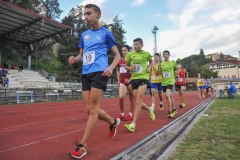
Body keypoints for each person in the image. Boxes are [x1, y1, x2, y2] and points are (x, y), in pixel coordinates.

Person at [67, 4, 121, 159]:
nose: (86, 17)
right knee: (88, 110)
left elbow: (117, 56)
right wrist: (74, 59)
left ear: (98, 14)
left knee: (93, 108)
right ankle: (112, 121)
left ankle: (83, 146)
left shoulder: (106, 33)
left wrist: (111, 67)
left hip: (101, 72)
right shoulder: (84, 35)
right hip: (86, 74)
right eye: (84, 14)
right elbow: (81, 56)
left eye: (89, 13)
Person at [124, 38, 155, 132]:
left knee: (138, 101)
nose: (135, 46)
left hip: (143, 78)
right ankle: (150, 109)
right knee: (137, 101)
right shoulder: (130, 54)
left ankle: (133, 124)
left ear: (142, 44)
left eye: (137, 44)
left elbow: (151, 61)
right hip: (134, 79)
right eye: (134, 44)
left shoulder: (146, 54)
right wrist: (130, 68)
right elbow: (125, 66)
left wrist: (150, 67)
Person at [115, 45, 134, 121]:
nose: (123, 52)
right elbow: (117, 70)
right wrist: (118, 79)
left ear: (128, 51)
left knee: (132, 98)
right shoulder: (119, 60)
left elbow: (134, 70)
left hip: (130, 81)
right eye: (122, 50)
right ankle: (122, 114)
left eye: (125, 50)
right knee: (121, 97)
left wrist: (131, 79)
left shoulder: (131, 60)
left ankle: (130, 114)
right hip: (122, 81)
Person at [161, 50, 177, 118]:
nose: (165, 55)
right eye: (164, 54)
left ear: (169, 55)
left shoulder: (173, 63)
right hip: (164, 82)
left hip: (170, 81)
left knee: (167, 95)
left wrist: (176, 76)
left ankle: (170, 112)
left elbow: (176, 70)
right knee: (169, 96)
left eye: (166, 54)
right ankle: (174, 108)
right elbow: (159, 73)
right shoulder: (161, 64)